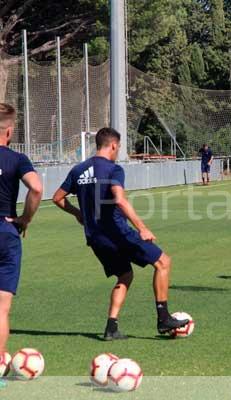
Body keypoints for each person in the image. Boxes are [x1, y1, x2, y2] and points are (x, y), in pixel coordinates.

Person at [52, 127, 188, 340]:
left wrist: (78, 213)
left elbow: (57, 198)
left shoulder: (78, 170)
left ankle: (111, 327)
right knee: (163, 262)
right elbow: (120, 199)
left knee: (125, 275)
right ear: (113, 145)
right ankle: (163, 319)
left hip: (95, 237)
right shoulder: (113, 169)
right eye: (118, 147)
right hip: (118, 232)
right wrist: (142, 228)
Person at [0, 103, 42, 388]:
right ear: (10, 131)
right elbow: (37, 187)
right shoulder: (16, 159)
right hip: (5, 231)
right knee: (1, 309)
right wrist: (24, 220)